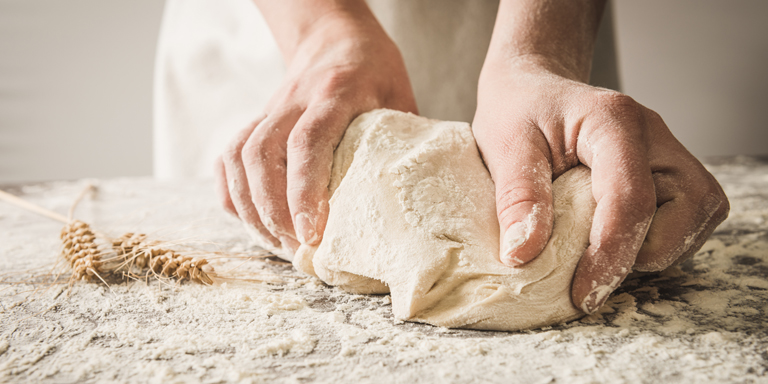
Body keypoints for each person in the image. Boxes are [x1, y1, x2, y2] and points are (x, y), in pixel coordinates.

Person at [154, 0, 729, 314]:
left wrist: (538, 52)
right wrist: (322, 33)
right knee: (298, 182)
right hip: (280, 33)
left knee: (591, 203)